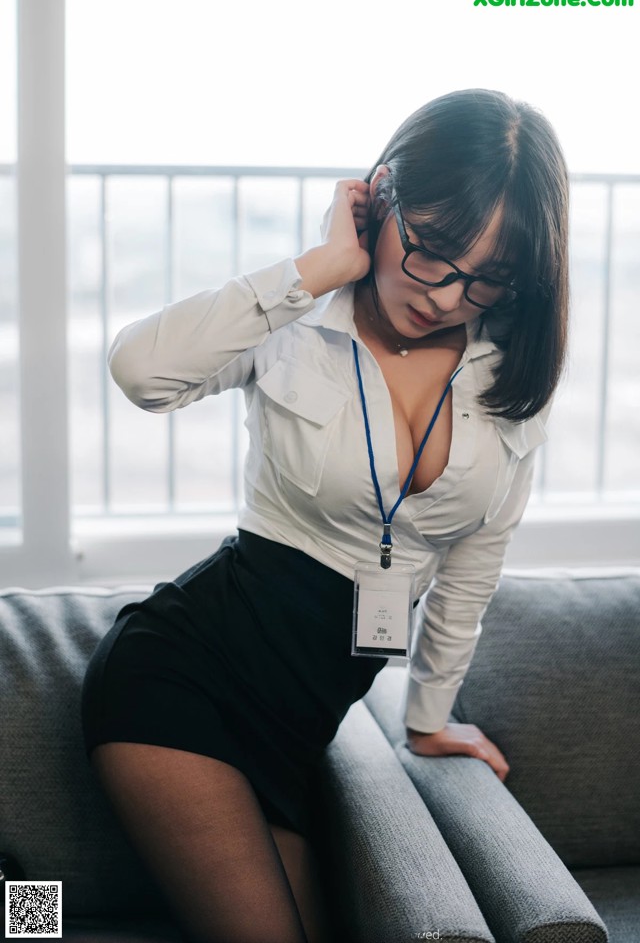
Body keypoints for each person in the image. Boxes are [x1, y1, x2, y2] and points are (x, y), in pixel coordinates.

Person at [81, 87, 569, 943]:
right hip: (180, 684)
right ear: (379, 198)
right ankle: (22, 915)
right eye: (434, 253)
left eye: (487, 277)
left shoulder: (510, 384)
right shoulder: (295, 324)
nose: (450, 295)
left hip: (294, 736)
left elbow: (471, 569)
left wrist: (427, 719)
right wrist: (316, 269)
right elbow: (139, 371)